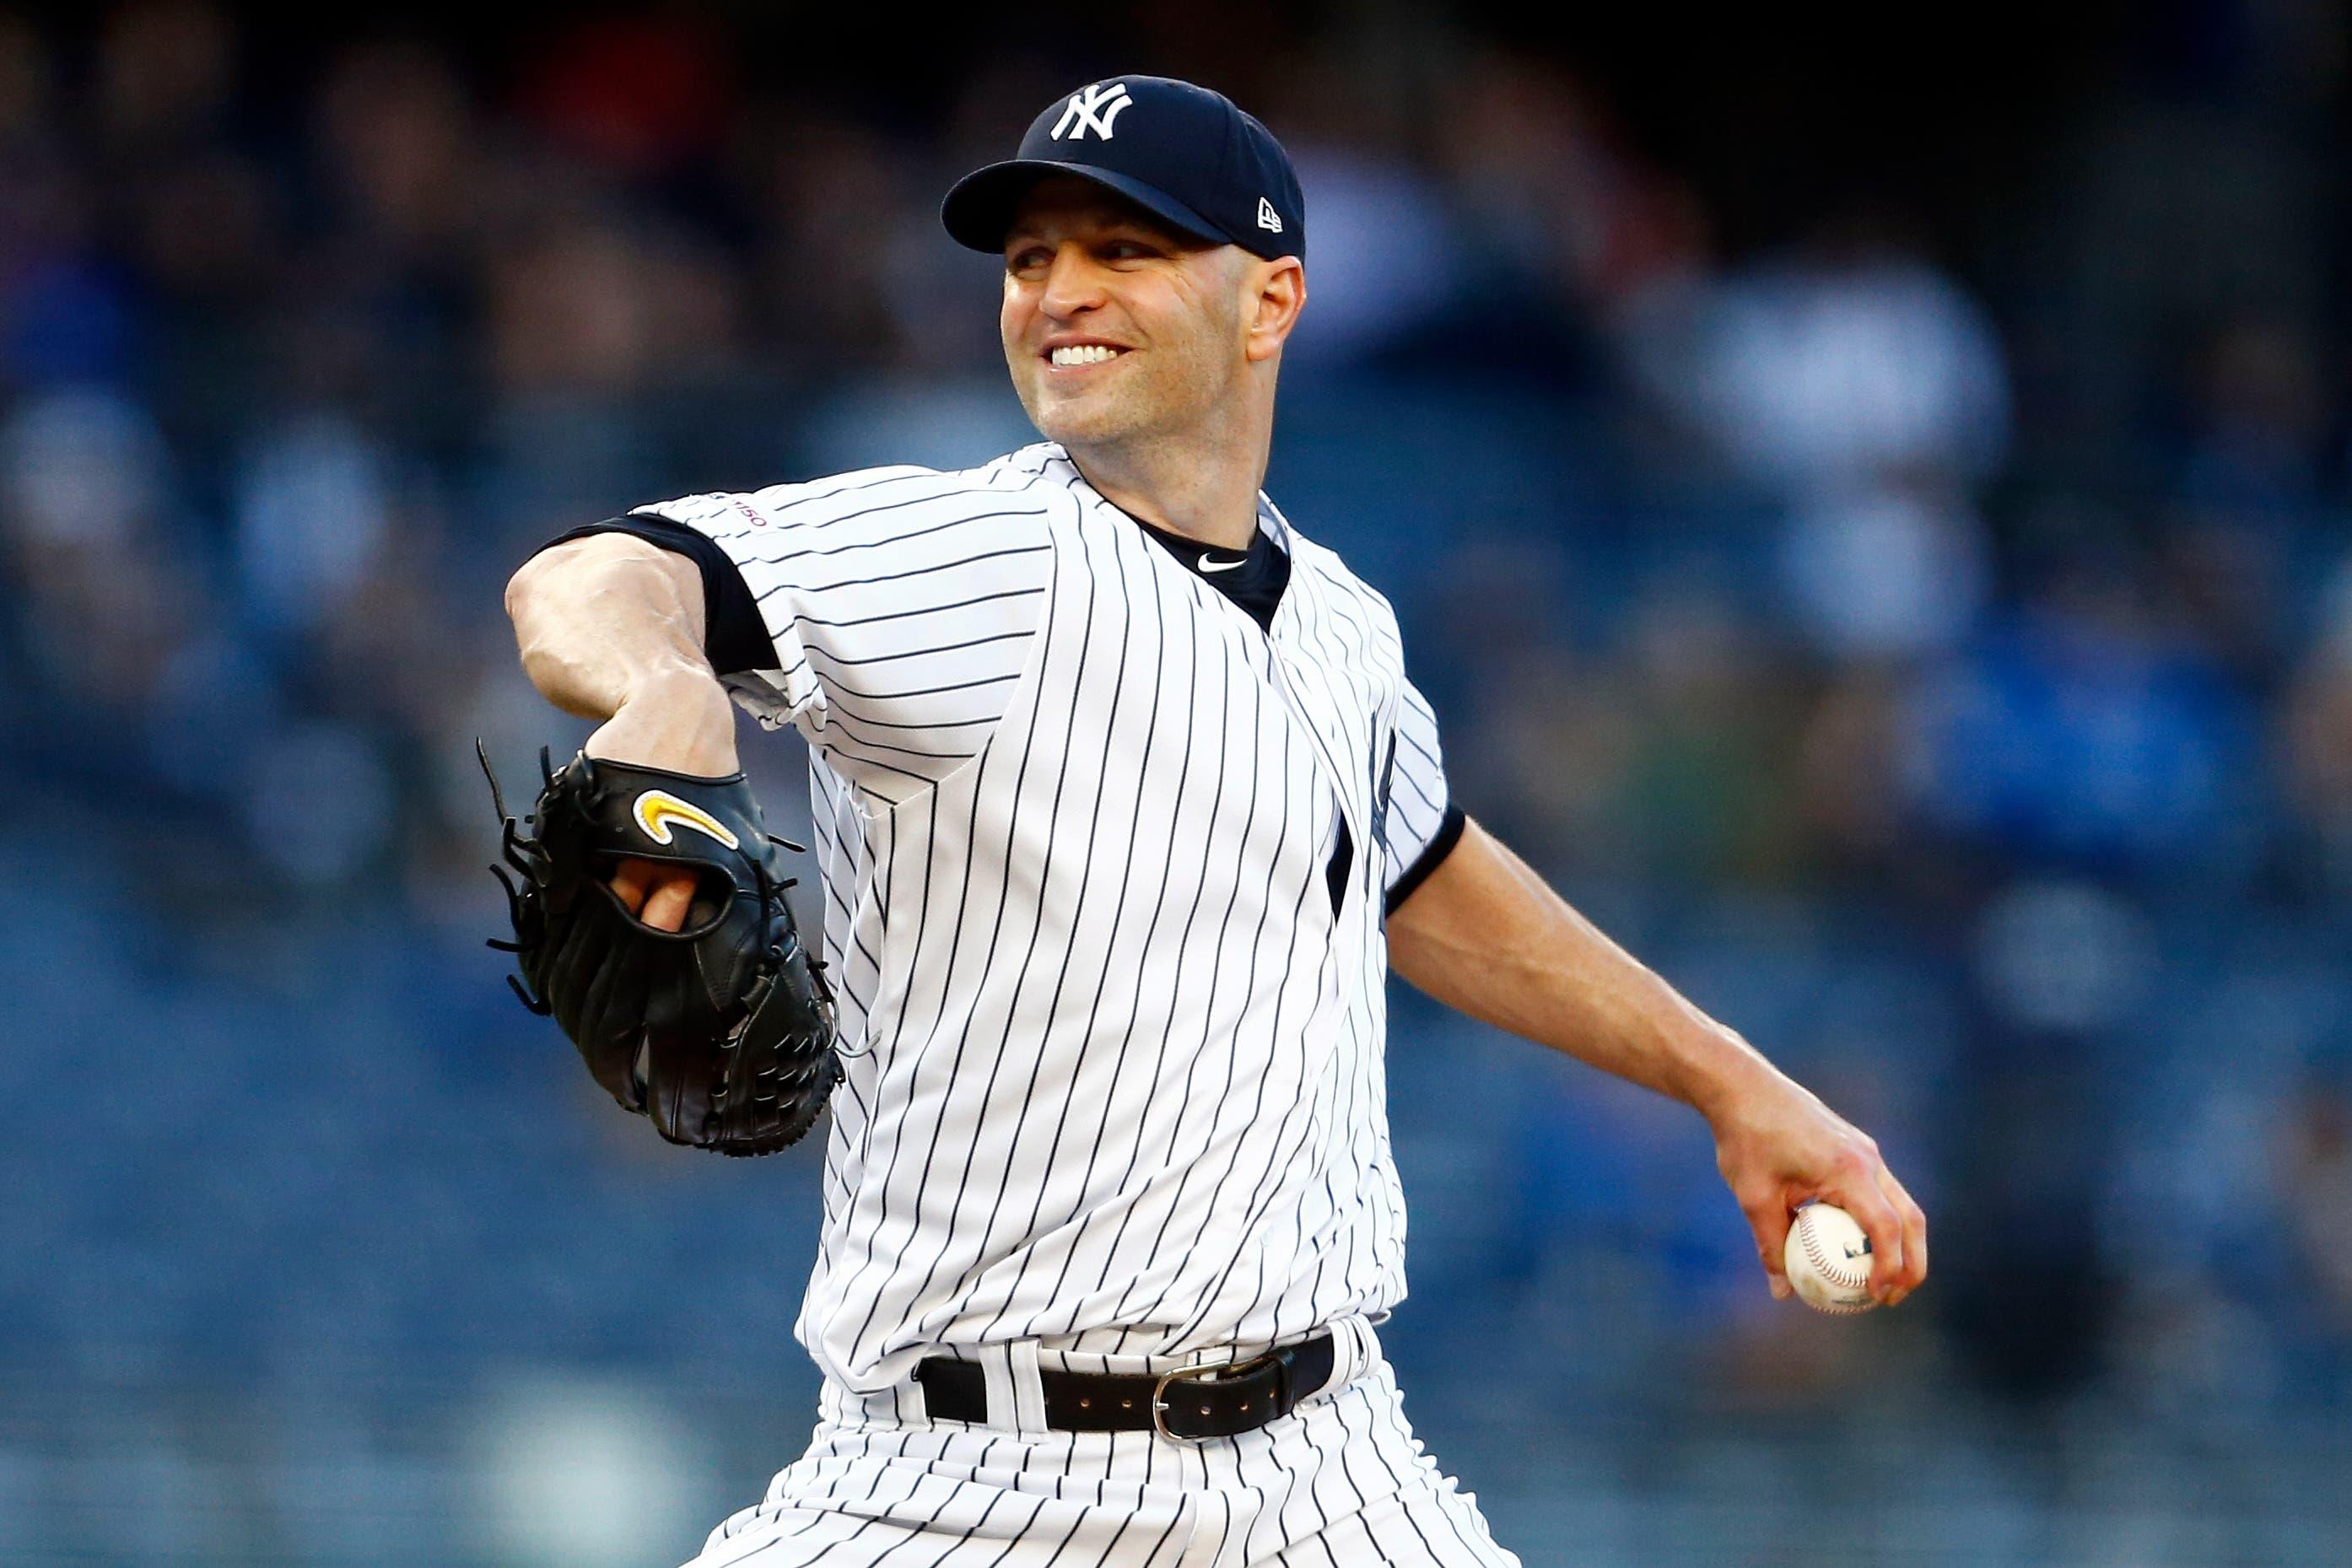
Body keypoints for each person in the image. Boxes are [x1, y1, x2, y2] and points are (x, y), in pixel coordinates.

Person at [502, 75, 1928, 1568]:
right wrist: (663, 683)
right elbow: (588, 581)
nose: (1061, 291)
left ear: (1271, 302)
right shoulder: (963, 558)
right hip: (955, 1487)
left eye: (1125, 250)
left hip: (1329, 1472)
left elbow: (1423, 875)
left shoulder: (1345, 632)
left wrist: (1735, 1085)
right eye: (1032, 257)